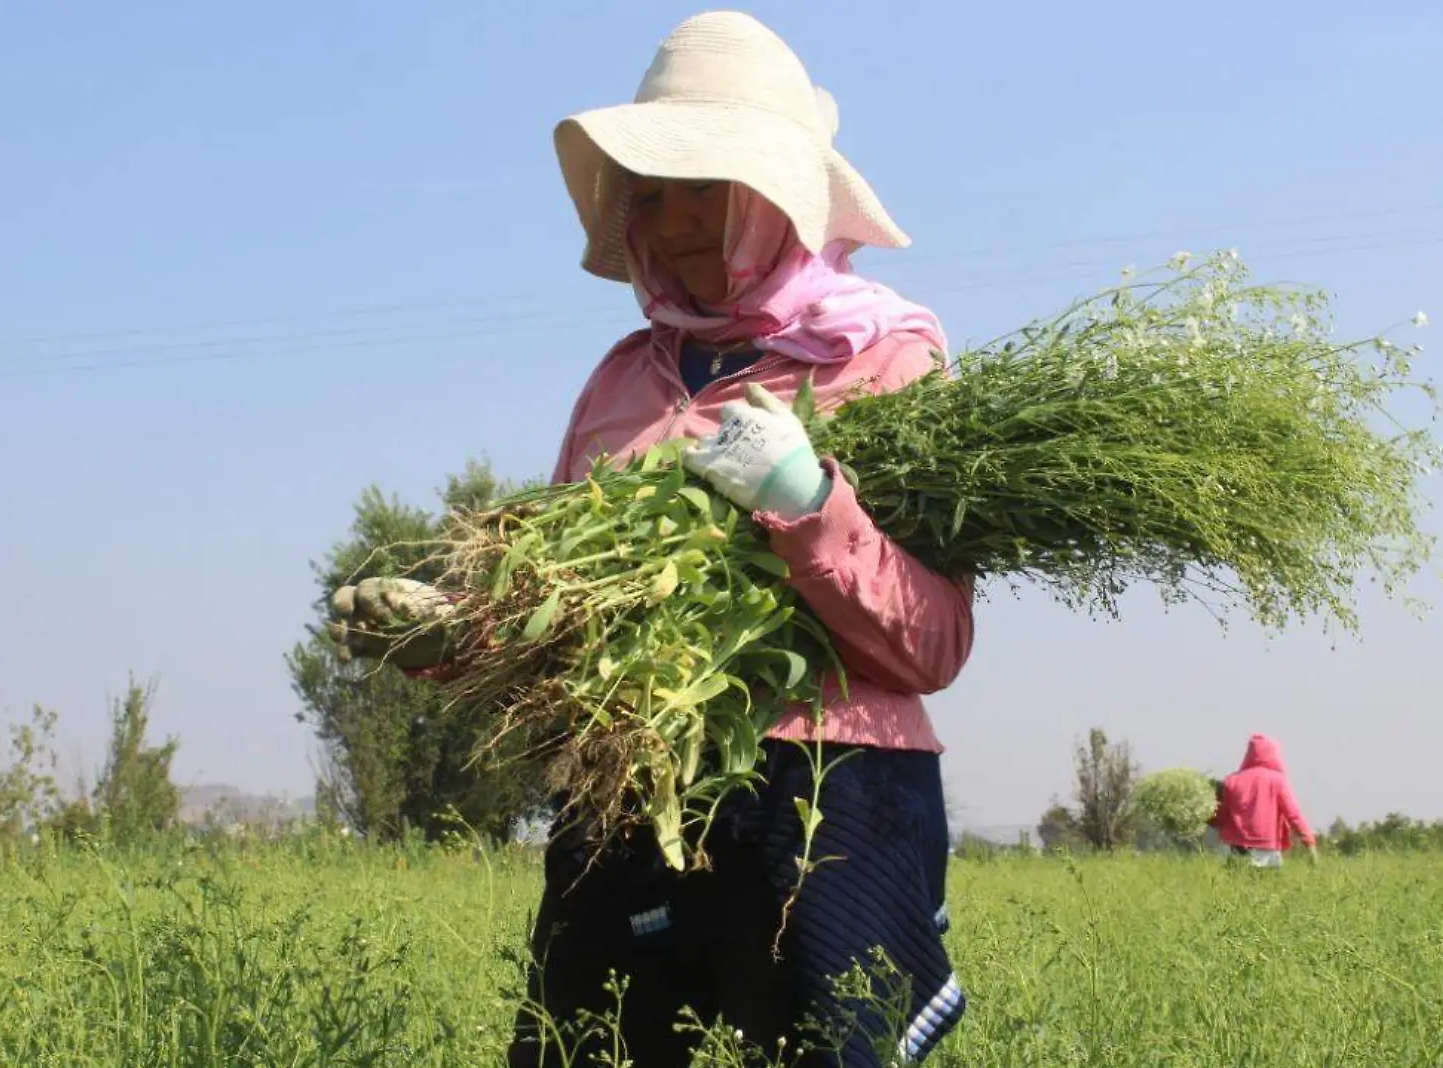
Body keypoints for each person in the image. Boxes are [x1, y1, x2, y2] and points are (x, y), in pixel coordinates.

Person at [332, 12, 973, 1066]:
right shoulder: (623, 379)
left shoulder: (885, 361)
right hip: (627, 794)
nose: (671, 222)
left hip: (820, 800)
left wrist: (807, 503)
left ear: (777, 197)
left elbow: (933, 645)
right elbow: (571, 623)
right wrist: (456, 639)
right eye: (651, 192)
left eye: (703, 188)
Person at [1210, 733, 1317, 868]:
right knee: (1269, 888)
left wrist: (1205, 818)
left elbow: (1221, 816)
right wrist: (1309, 843)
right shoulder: (1278, 781)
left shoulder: (1231, 780)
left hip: (1234, 847)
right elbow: (1293, 815)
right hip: (1267, 851)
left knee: (1235, 886)